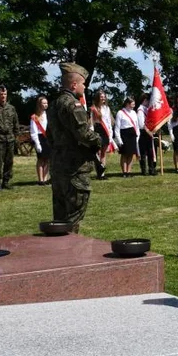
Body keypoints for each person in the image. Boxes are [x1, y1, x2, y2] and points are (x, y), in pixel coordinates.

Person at [48, 63, 103, 232]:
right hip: (75, 167)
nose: (84, 87)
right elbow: (83, 134)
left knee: (60, 216)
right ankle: (70, 254)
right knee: (73, 217)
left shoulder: (53, 105)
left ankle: (58, 252)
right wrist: (98, 139)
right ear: (74, 85)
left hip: (58, 165)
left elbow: (49, 135)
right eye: (83, 83)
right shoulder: (73, 105)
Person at [90, 91, 114, 180]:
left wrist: (110, 133)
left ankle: (102, 173)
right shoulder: (93, 108)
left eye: (104, 97)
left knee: (103, 153)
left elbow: (108, 121)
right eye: (101, 97)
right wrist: (92, 132)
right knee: (98, 152)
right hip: (97, 129)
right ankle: (99, 171)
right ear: (97, 98)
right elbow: (91, 122)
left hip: (105, 130)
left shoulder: (107, 108)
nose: (103, 98)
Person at [113, 97, 139, 178]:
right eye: (132, 103)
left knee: (131, 154)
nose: (134, 105)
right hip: (124, 134)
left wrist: (137, 135)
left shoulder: (134, 113)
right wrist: (119, 139)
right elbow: (117, 127)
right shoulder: (120, 113)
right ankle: (124, 172)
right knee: (124, 154)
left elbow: (137, 125)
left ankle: (129, 171)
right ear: (127, 103)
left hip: (132, 134)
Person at [30, 96, 51, 185]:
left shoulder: (48, 115)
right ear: (39, 104)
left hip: (47, 138)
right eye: (44, 103)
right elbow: (33, 131)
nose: (46, 105)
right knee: (40, 159)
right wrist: (37, 144)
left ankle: (45, 178)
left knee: (47, 159)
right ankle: (40, 179)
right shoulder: (34, 117)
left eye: (46, 103)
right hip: (39, 138)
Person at [136, 93, 157, 176]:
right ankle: (144, 170)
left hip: (149, 132)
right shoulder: (140, 110)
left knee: (151, 152)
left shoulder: (147, 109)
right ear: (144, 100)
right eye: (148, 100)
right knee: (143, 152)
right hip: (144, 133)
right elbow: (141, 124)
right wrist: (149, 132)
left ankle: (151, 169)